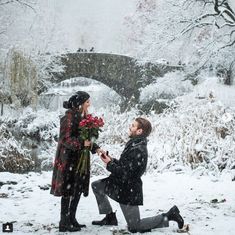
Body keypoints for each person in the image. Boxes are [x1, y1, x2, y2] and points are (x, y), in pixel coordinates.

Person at [91, 117, 184, 233]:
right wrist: (111, 160)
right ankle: (110, 217)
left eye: (133, 126)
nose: (130, 127)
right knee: (97, 185)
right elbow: (125, 165)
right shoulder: (134, 144)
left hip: (128, 190)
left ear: (139, 131)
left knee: (135, 226)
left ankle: (169, 215)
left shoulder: (138, 149)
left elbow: (127, 173)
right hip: (120, 184)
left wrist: (109, 164)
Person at [50, 91, 103, 232]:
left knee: (77, 188)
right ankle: (64, 222)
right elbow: (65, 139)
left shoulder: (84, 117)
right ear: (80, 104)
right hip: (68, 159)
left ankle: (72, 218)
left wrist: (96, 148)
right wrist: (81, 143)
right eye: (87, 102)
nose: (89, 104)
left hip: (80, 159)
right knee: (68, 189)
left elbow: (87, 138)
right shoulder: (68, 117)